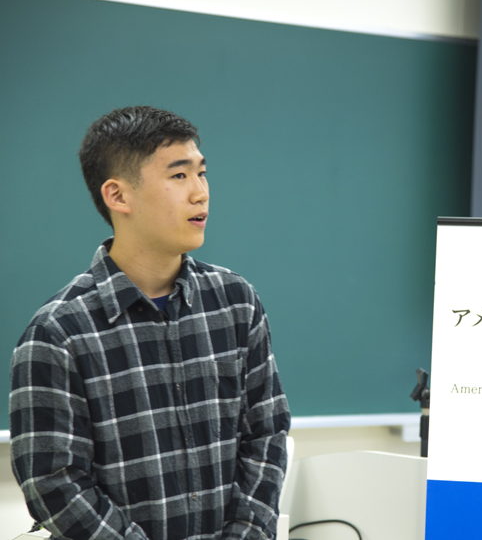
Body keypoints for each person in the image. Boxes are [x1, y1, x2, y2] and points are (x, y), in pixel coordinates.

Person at [10, 106, 291, 540]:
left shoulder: (236, 302)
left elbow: (267, 434)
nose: (200, 193)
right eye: (179, 176)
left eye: (202, 173)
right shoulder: (58, 333)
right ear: (118, 196)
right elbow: (53, 483)